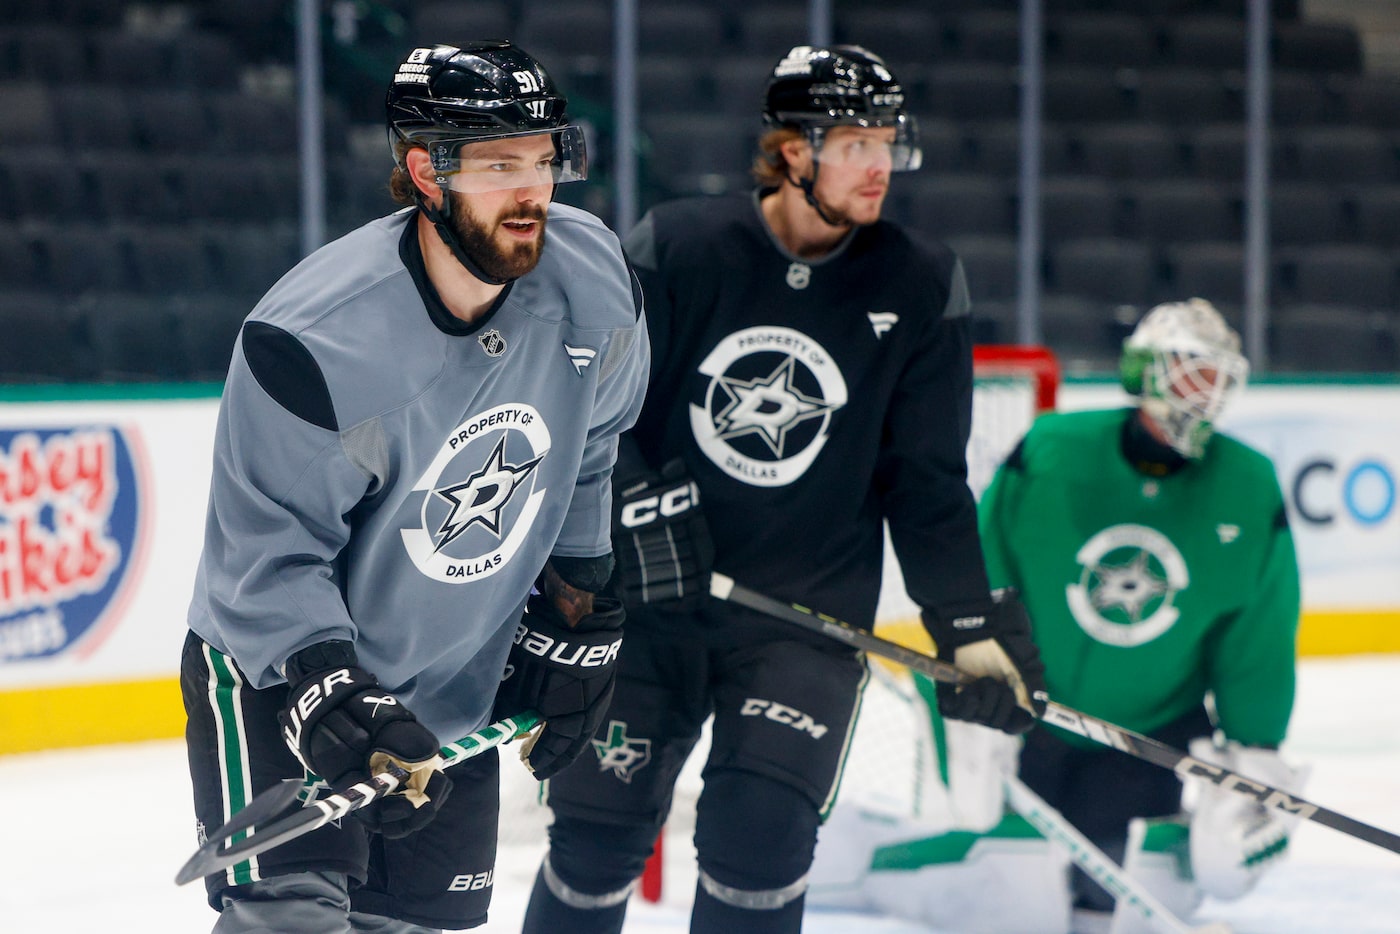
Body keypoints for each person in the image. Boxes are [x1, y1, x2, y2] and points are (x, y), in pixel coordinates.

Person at [520, 44, 1047, 934]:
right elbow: (599, 405)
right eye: (854, 144)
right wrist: (637, 503)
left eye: (888, 143)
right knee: (595, 841)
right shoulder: (680, 245)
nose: (879, 166)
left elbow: (926, 481)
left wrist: (968, 625)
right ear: (794, 152)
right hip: (646, 612)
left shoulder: (920, 281)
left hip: (805, 621)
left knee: (760, 843)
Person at [179, 41, 649, 933]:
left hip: (449, 673)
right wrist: (332, 693)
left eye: (545, 159)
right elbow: (266, 564)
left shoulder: (593, 281)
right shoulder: (311, 341)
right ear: (423, 171)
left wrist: (578, 605)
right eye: (499, 164)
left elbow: (590, 450)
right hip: (280, 672)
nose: (532, 192)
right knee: (294, 921)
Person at [808, 298, 1305, 934]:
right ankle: (874, 858)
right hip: (1028, 713)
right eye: (1189, 371)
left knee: (1111, 898)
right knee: (1006, 890)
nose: (1202, 393)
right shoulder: (1053, 451)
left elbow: (1256, 635)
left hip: (1145, 736)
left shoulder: (1249, 485)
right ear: (1144, 372)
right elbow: (976, 576)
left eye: (1215, 377)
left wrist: (1254, 752)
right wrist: (963, 701)